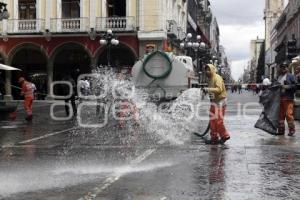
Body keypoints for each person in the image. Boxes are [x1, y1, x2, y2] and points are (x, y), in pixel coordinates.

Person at [203, 64, 230, 145]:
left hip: (221, 101)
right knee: (212, 120)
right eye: (206, 70)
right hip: (214, 102)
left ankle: (224, 135)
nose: (207, 71)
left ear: (212, 70)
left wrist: (208, 89)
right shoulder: (210, 79)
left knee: (218, 121)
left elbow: (219, 89)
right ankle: (214, 138)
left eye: (208, 70)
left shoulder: (217, 77)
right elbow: (212, 91)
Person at [277, 63, 297, 136]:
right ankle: (281, 130)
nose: (283, 69)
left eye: (284, 68)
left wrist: (287, 87)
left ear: (286, 68)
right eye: (281, 68)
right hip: (280, 98)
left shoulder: (291, 76)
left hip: (288, 98)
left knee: (288, 114)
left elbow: (295, 86)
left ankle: (292, 130)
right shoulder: (279, 77)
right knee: (280, 115)